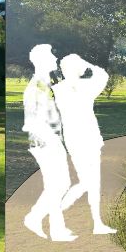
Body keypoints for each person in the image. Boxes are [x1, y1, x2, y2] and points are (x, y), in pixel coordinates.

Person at [53, 54, 117, 235]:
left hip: (83, 138)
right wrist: (87, 63)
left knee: (91, 182)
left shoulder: (64, 88)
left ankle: (97, 223)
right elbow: (102, 74)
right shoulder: (78, 88)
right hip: (81, 138)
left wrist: (81, 63)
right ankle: (56, 210)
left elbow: (103, 76)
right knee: (88, 182)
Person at [22, 44, 76, 241]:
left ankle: (35, 218)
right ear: (42, 61)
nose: (55, 59)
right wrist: (50, 142)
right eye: (52, 56)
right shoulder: (35, 87)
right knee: (58, 185)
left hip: (52, 140)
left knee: (59, 184)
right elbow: (34, 120)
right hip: (46, 142)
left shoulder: (45, 84)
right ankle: (54, 228)